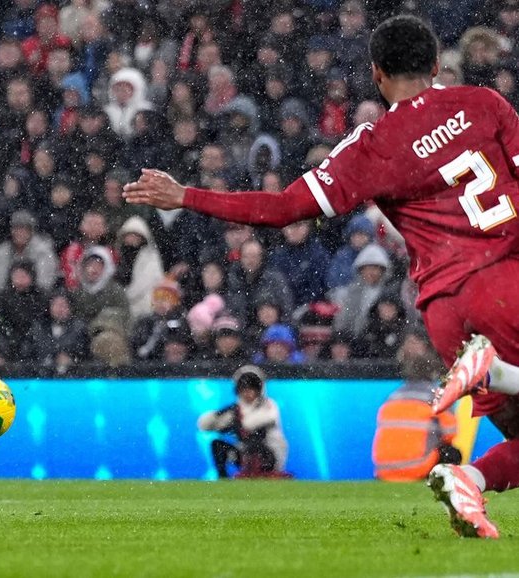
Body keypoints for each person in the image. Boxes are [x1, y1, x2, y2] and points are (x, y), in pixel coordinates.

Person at [123, 14, 518, 539]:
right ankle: (500, 373)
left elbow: (283, 208)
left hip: (446, 311)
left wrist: (187, 195)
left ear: (376, 74)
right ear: (436, 64)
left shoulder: (370, 146)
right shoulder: (483, 104)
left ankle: (469, 476)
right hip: (506, 281)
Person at [372, 330, 461, 482]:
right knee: (452, 453)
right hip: (417, 468)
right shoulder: (436, 396)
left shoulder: (392, 397)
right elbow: (450, 433)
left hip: (383, 470)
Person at [198, 365, 288, 479]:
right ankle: (223, 478)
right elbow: (204, 425)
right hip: (245, 455)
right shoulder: (235, 410)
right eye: (243, 388)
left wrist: (237, 416)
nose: (247, 393)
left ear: (259, 390)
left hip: (270, 455)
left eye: (252, 388)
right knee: (217, 445)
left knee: (255, 441)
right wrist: (219, 414)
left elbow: (251, 424)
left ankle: (259, 471)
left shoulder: (269, 404)